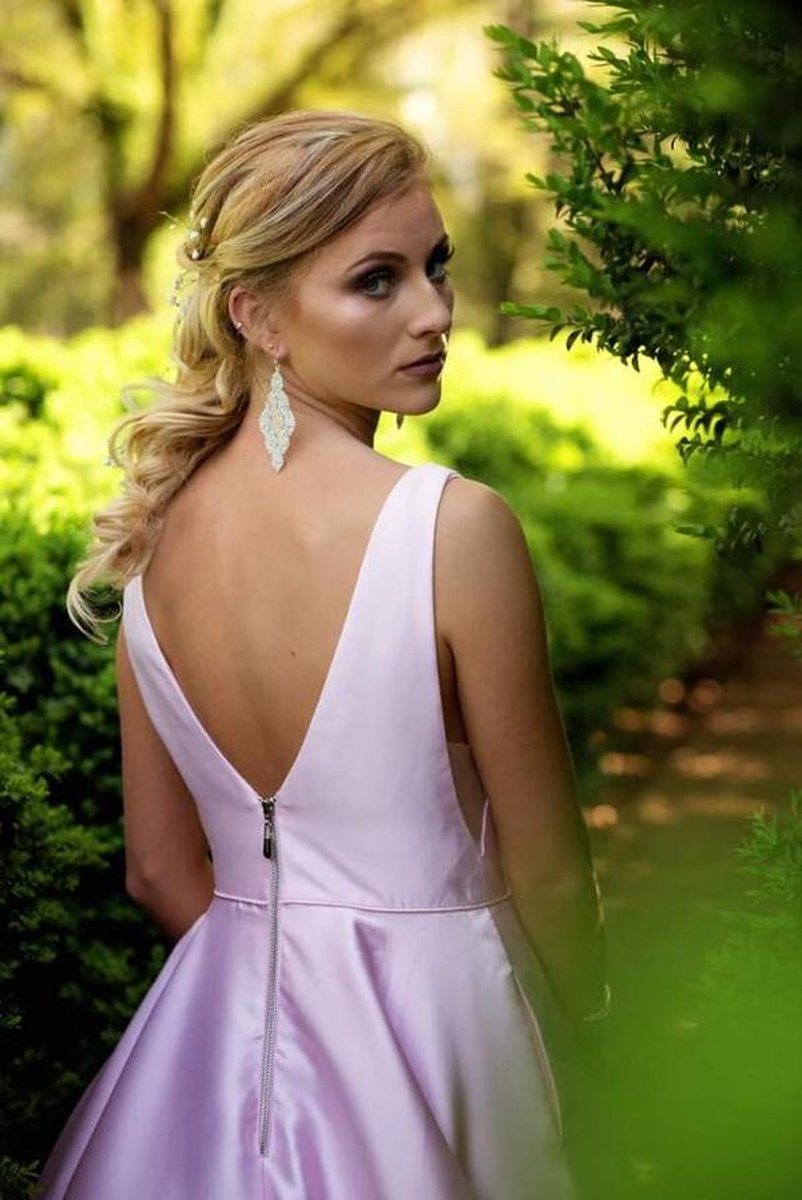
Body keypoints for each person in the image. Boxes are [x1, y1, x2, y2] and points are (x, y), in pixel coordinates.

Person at [38, 109, 609, 1199]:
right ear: (258, 314)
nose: (436, 312)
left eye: (436, 267)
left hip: (203, 1068)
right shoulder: (455, 526)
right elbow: (544, 871)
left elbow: (159, 873)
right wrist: (588, 1036)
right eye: (377, 281)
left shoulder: (148, 541)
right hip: (451, 1037)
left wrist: (285, 982)